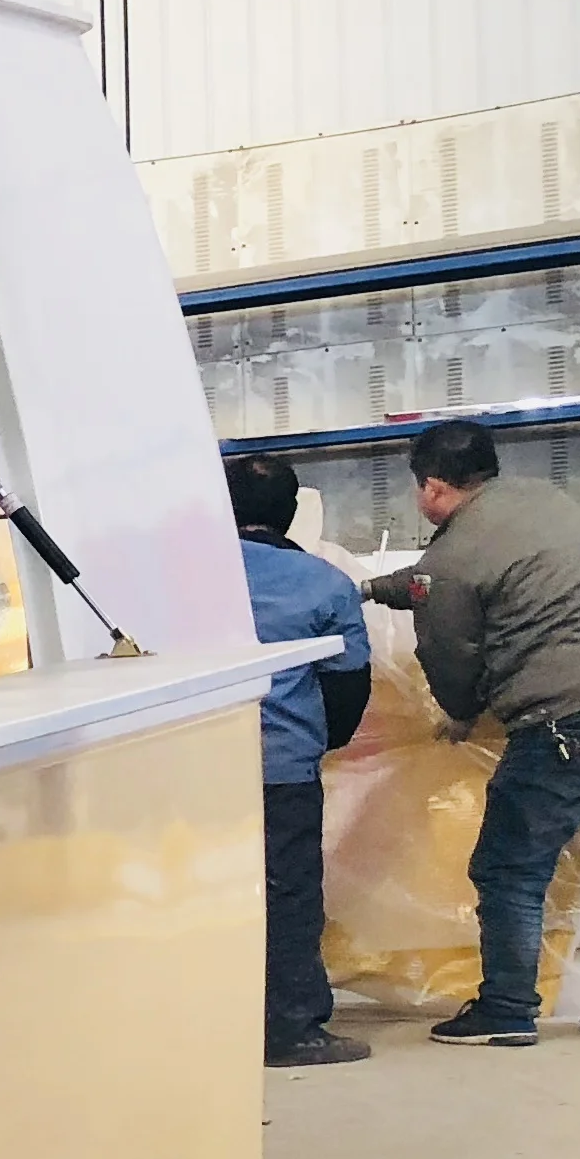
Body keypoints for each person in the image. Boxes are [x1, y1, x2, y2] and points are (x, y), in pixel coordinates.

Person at [362, 420, 580, 1045]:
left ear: (430, 486)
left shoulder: (453, 559)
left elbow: (450, 655)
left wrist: (458, 715)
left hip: (562, 720)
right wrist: (377, 588)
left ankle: (507, 1009)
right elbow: (456, 579)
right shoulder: (544, 501)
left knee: (510, 868)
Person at [224, 455, 373, 1067]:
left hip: (184, 766)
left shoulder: (183, 578)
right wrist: (320, 741)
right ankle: (290, 1028)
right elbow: (348, 684)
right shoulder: (323, 582)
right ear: (290, 513)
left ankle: (206, 1021)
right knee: (288, 894)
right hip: (281, 765)